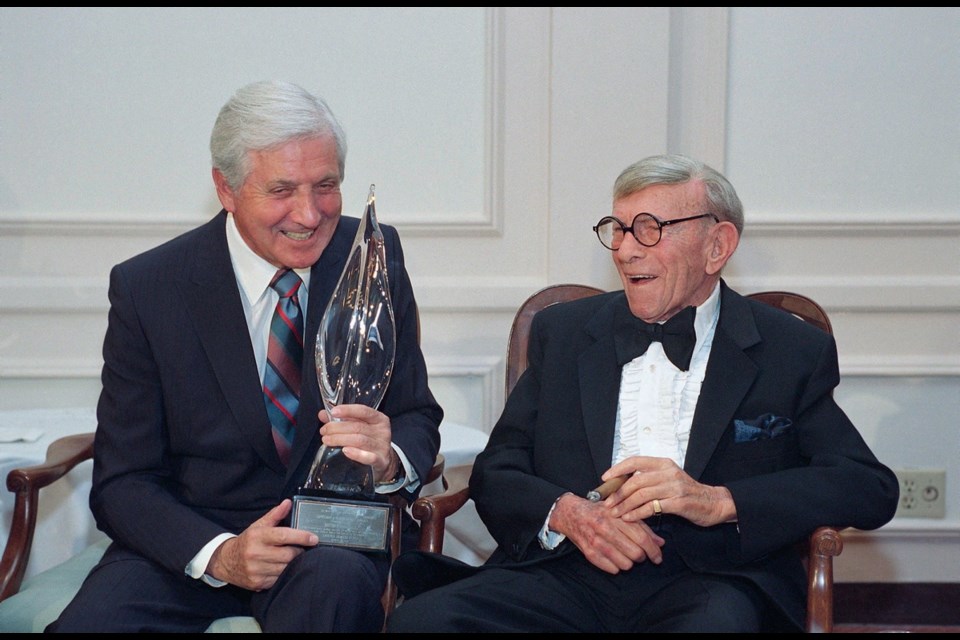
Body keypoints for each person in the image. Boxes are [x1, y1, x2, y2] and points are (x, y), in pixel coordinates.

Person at [386, 153, 898, 633]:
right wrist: (569, 513)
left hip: (711, 581)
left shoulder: (788, 349)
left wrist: (718, 501)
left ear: (717, 245)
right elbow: (497, 471)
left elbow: (866, 486)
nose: (627, 249)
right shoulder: (563, 333)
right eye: (619, 229)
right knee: (425, 621)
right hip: (565, 571)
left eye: (651, 229)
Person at [47, 80, 443, 633]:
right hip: (187, 547)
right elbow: (124, 481)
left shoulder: (372, 254)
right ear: (225, 188)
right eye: (282, 190)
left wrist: (388, 455)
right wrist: (220, 554)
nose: (309, 214)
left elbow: (415, 413)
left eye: (326, 185)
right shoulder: (150, 287)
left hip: (326, 545)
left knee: (333, 593)